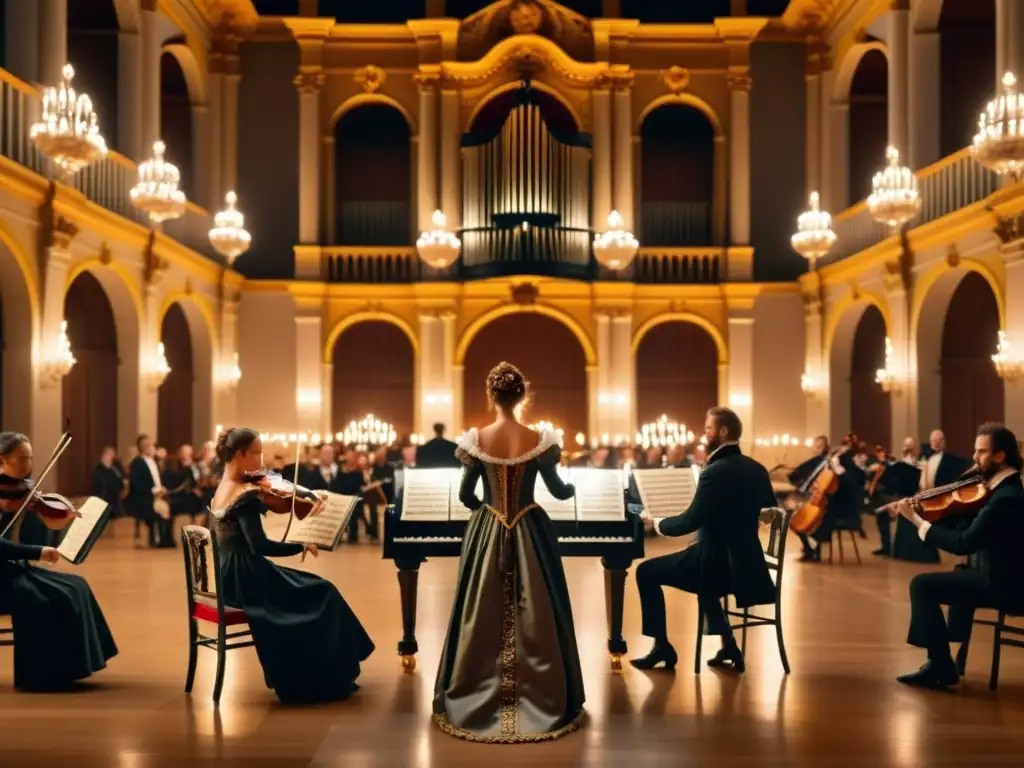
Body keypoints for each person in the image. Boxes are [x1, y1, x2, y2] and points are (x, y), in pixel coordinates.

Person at [434, 362, 585, 742]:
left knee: (481, 610)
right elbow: (559, 491)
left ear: (491, 396)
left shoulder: (476, 441)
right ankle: (541, 695)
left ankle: (476, 692)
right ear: (523, 396)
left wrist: (486, 511)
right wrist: (573, 487)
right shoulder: (541, 441)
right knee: (538, 610)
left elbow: (467, 496)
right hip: (531, 527)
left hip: (488, 527)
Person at [209, 427, 374, 704]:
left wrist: (303, 494)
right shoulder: (245, 496)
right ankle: (321, 678)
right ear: (239, 454)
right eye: (256, 454)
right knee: (323, 591)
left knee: (312, 587)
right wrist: (302, 545)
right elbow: (260, 547)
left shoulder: (223, 487)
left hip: (230, 573)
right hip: (248, 579)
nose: (262, 462)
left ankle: (323, 671)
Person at [632, 407, 776, 673]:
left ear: (722, 432)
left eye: (709, 428)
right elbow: (768, 509)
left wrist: (658, 523)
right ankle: (728, 645)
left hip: (717, 565)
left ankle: (661, 646)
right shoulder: (757, 469)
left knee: (646, 572)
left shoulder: (714, 472)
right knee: (702, 571)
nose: (705, 433)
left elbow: (689, 521)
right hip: (749, 566)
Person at [891, 422, 1024, 690]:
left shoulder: (1006, 497)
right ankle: (942, 658)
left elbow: (964, 543)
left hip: (1006, 586)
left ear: (1001, 456)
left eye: (982, 452)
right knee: (952, 577)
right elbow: (966, 528)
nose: (975, 458)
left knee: (922, 585)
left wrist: (918, 522)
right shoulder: (995, 489)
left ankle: (940, 664)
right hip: (992, 574)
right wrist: (936, 510)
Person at [0, 432, 118, 691]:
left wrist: (64, 520)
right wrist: (37, 552)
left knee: (76, 585)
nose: (27, 466)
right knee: (52, 597)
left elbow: (45, 524)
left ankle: (75, 667)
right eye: (20, 459)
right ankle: (43, 676)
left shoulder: (18, 492)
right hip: (3, 576)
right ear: (2, 460)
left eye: (29, 459)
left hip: (12, 568)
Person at [126, 434, 171, 548]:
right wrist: (152, 492)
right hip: (144, 498)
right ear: (143, 447)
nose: (153, 448)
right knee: (159, 512)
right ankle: (159, 540)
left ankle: (166, 539)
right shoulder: (137, 463)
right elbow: (136, 484)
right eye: (150, 445)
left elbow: (159, 480)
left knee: (173, 507)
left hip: (158, 496)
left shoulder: (155, 461)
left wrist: (162, 489)